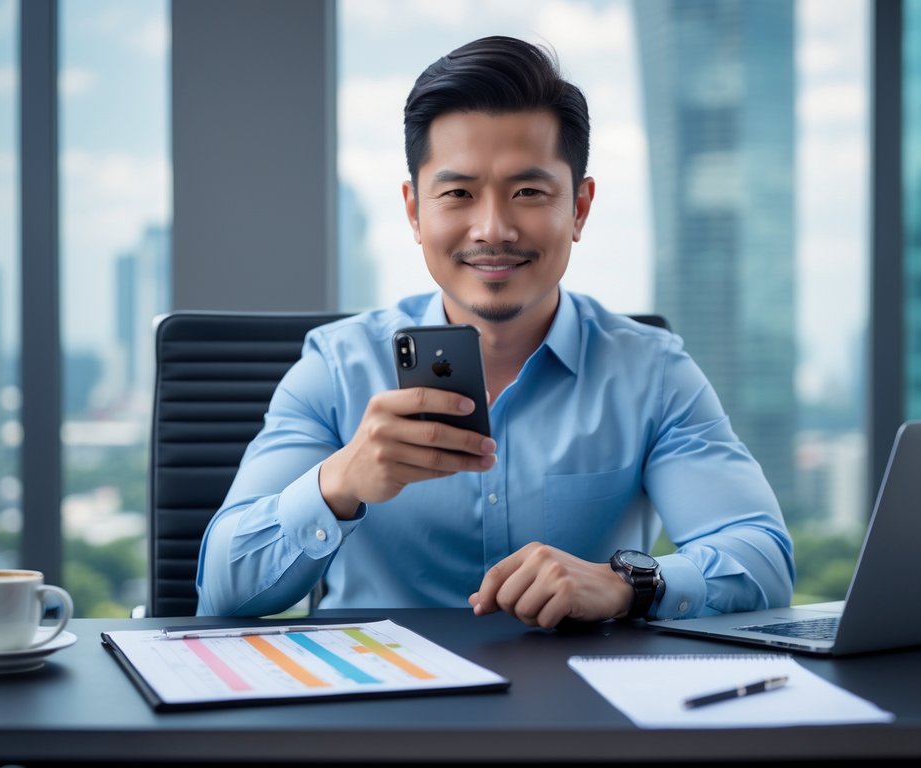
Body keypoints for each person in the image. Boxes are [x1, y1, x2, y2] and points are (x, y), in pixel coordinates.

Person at [196, 35, 794, 627]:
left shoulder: (653, 373)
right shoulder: (335, 368)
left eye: (528, 192)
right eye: (457, 193)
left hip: (579, 710)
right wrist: (339, 482)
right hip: (378, 710)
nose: (493, 229)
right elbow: (224, 587)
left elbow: (762, 562)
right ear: (414, 211)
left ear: (579, 209)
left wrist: (625, 583)